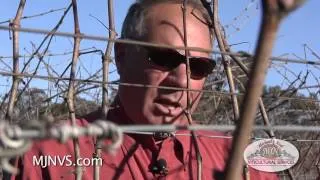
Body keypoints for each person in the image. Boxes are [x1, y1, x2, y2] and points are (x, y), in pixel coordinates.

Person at [11, 0, 278, 179]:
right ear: (121, 56)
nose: (182, 81)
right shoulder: (45, 155)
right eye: (163, 58)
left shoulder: (245, 164)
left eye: (199, 66)